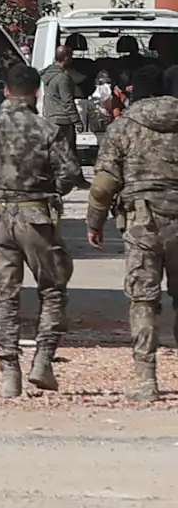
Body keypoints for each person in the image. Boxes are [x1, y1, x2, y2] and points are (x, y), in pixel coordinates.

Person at [0, 62, 81, 397]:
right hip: (37, 216)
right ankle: (43, 360)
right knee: (52, 289)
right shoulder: (46, 129)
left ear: (6, 91)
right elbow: (69, 174)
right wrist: (49, 190)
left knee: (4, 296)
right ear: (36, 93)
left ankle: (9, 371)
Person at [89, 62, 178, 402]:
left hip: (144, 223)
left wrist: (94, 223)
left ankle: (145, 379)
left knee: (143, 299)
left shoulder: (124, 126)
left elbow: (103, 185)